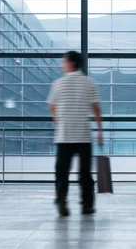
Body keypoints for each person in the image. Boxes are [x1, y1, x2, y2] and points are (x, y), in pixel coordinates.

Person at [48, 51, 103, 217]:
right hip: (83, 135)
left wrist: (57, 118)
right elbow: (95, 109)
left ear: (71, 63)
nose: (61, 65)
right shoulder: (89, 83)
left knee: (62, 172)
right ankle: (87, 204)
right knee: (85, 174)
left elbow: (52, 105)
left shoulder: (59, 83)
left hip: (64, 135)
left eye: (63, 62)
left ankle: (62, 201)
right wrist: (100, 131)